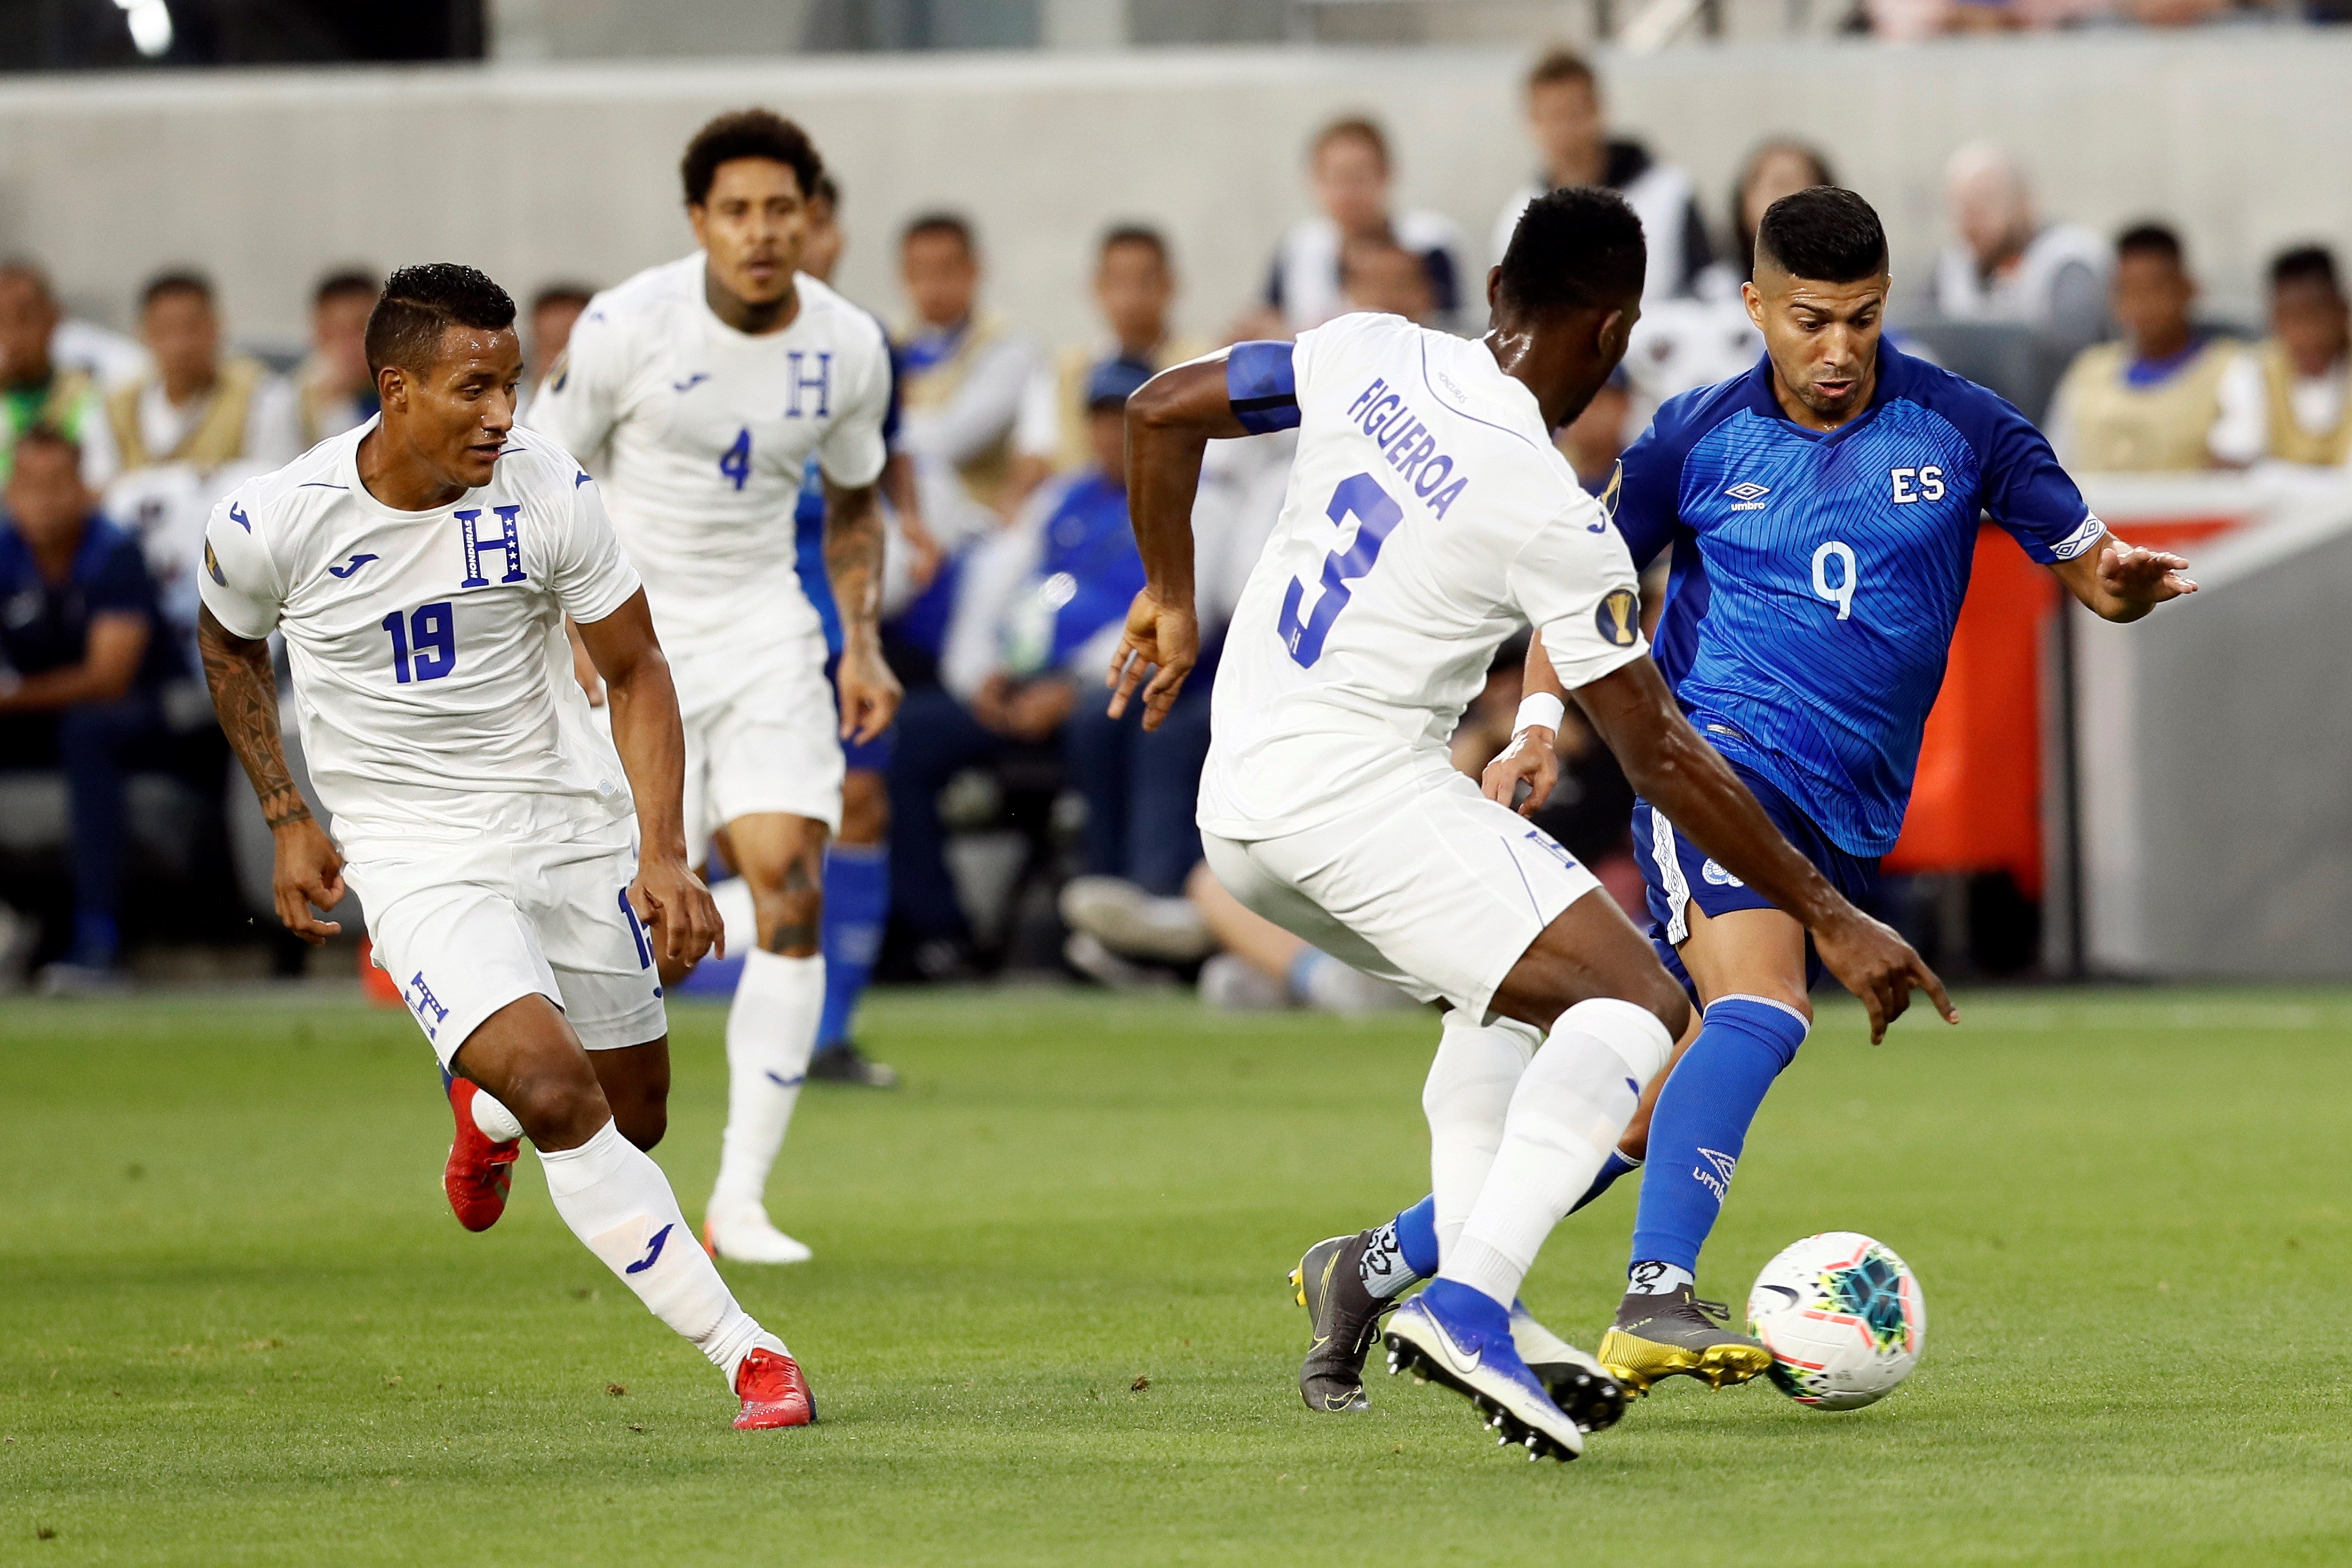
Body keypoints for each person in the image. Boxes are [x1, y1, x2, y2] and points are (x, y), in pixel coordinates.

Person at [1313, 187, 2195, 1413]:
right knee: (1767, 1005)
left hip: (1839, 817)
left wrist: (2125, 586)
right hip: (1711, 773)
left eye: (1865, 319)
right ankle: (1655, 1295)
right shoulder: (1694, 438)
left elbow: (2092, 568)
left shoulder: (1967, 427)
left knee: (1635, 1120)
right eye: (1813, 319)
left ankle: (1368, 1265)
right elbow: (1581, 583)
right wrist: (1534, 723)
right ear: (1756, 308)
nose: (1839, 350)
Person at [1108, 185, 1949, 1457]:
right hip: (1355, 793)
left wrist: (1170, 595)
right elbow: (1661, 751)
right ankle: (1472, 1300)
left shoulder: (1365, 347)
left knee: (1504, 1000)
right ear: (1612, 332)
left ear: (1497, 284)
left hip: (1243, 801)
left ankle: (1398, 1281)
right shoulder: (1550, 508)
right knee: (1637, 1006)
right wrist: (1828, 912)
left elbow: (1160, 407)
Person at [194, 261, 811, 1431]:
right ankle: (752, 1355)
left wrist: (664, 855)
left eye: (513, 385)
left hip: (566, 820)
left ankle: (481, 1119)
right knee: (557, 1086)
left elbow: (635, 668)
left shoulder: (546, 490)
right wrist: (287, 813)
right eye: (474, 388)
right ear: (397, 389)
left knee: (635, 1116)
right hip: (416, 848)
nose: (501, 414)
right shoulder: (277, 516)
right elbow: (229, 649)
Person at [527, 111, 898, 1267]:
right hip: (630, 637)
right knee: (607, 926)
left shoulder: (848, 346)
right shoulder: (626, 326)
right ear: (699, 222)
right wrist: (564, 635)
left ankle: (738, 1200)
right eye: (736, 211)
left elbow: (850, 501)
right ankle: (498, 1094)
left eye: (780, 209)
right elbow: (540, 477)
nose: (760, 231)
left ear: (813, 220)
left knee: (792, 883)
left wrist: (861, 640)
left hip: (763, 631)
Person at [886, 357, 1155, 968]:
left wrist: (1071, 684)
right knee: (905, 734)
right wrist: (981, 677)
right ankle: (940, 935)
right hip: (1017, 687)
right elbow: (992, 588)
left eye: (1125, 420)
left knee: (1102, 724)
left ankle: (1110, 924)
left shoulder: (1180, 498)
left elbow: (1165, 609)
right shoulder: (1060, 499)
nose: (1112, 436)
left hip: (1100, 688)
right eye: (1101, 422)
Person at [782, 170, 927, 1085]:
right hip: (730, 612)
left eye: (814, 221)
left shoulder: (864, 345)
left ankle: (827, 1031)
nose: (798, 239)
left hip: (838, 611)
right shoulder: (690, 343)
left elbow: (884, 465)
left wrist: (913, 525)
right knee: (753, 826)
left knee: (859, 806)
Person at [0, 425, 177, 988]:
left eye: (59, 485)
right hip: (43, 718)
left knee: (86, 731)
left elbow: (109, 677)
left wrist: (13, 697)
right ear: (10, 494)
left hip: (145, 718)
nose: (45, 502)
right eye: (30, 486)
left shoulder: (113, 552)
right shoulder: (5, 554)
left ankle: (97, 939)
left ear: (84, 490)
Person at [1489, 49, 1713, 307]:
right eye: (1552, 117)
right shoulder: (1515, 221)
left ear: (1598, 110)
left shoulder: (1670, 194)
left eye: (1574, 114)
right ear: (1532, 122)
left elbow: (1709, 288)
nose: (1564, 130)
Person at [1011, 225, 1208, 500]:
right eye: (1118, 281)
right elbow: (1033, 463)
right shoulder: (1064, 370)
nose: (1131, 297)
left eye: (1145, 281)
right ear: (1097, 287)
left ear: (1170, 285)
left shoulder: (1204, 366)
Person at [893, 213, 1038, 545]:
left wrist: (879, 428)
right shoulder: (888, 343)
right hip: (902, 520)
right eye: (919, 272)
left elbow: (950, 440)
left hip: (977, 532)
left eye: (945, 271)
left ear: (975, 270)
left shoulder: (1009, 348)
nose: (932, 286)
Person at [2047, 223, 2235, 472]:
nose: (2141, 307)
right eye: (2128, 292)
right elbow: (2050, 468)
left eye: (2154, 290)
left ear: (2188, 289)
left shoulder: (2233, 371)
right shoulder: (2087, 371)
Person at [1261, 117, 1465, 333]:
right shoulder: (1297, 247)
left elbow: (1451, 324)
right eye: (1335, 178)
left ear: (1386, 174)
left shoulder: (1429, 242)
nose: (1347, 193)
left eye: (1358, 176)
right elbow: (1270, 320)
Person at [106, 271, 301, 475]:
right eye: (164, 331)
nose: (180, 346)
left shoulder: (262, 397)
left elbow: (276, 483)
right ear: (143, 334)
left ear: (217, 327)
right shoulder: (116, 406)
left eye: (192, 329)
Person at [1925, 143, 2108, 358]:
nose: (1970, 221)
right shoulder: (1954, 264)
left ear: (2023, 203)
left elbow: (2070, 356)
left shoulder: (2068, 261)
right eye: (1960, 207)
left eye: (1984, 203)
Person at [2210, 245, 2352, 470]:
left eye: (2315, 316)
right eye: (2291, 318)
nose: (2306, 333)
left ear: (2342, 310)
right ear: (2273, 319)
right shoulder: (2254, 372)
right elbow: (2230, 461)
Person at [0, 262, 116, 487]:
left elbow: (101, 482)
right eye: (2, 321)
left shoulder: (92, 395)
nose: (12, 335)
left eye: (24, 319)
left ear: (54, 317)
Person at [295, 270, 381, 448]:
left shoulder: (407, 395)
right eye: (334, 333)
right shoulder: (291, 403)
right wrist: (335, 406)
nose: (349, 346)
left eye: (360, 329)